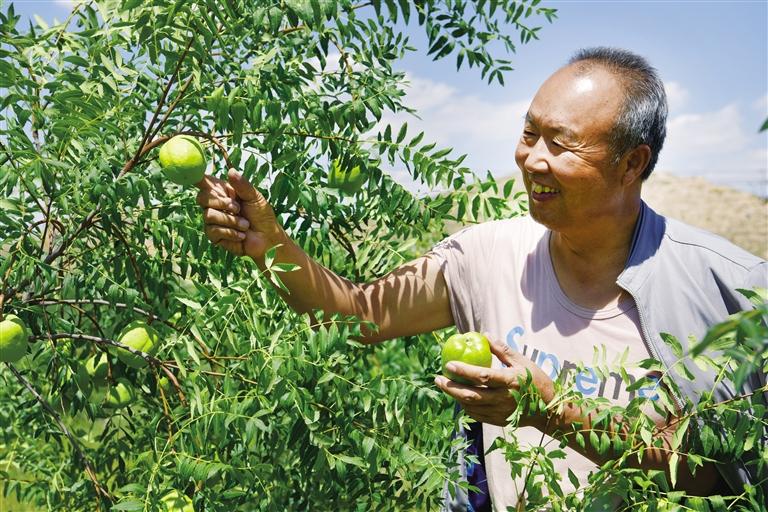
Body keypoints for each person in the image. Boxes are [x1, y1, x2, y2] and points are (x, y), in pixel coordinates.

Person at [195, 47, 767, 510]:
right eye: (528, 133)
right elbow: (356, 315)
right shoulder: (487, 254)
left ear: (632, 163)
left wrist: (549, 410)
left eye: (561, 143)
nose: (532, 160)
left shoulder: (729, 291)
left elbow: (724, 471)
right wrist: (268, 244)